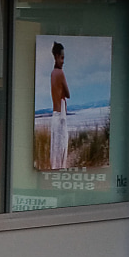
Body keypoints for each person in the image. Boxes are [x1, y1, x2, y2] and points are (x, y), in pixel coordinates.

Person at [49, 40, 71, 171]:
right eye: (62, 57)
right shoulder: (60, 73)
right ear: (56, 56)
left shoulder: (52, 73)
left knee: (55, 152)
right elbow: (68, 93)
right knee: (62, 149)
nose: (63, 61)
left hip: (54, 115)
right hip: (61, 117)